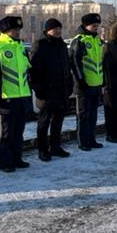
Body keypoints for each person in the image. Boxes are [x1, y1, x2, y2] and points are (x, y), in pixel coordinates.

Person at [0, 15, 32, 173]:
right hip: (6, 98)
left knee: (18, 131)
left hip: (21, 97)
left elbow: (27, 72)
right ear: (6, 31)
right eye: (14, 30)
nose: (18, 32)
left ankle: (17, 158)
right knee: (5, 133)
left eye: (19, 29)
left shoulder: (21, 48)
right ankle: (5, 162)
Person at [29, 17, 73, 161]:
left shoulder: (61, 45)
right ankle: (43, 150)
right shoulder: (40, 45)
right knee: (44, 123)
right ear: (48, 30)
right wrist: (39, 92)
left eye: (60, 28)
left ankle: (55, 147)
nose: (58, 31)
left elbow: (67, 65)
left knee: (58, 122)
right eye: (55, 29)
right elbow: (34, 72)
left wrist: (69, 84)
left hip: (61, 91)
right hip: (47, 92)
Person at [69, 12, 106, 151]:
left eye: (97, 25)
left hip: (96, 84)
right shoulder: (79, 40)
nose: (96, 28)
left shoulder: (96, 40)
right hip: (84, 85)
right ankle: (82, 141)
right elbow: (74, 62)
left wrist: (101, 80)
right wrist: (80, 80)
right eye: (93, 25)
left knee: (93, 115)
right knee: (83, 116)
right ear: (85, 25)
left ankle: (91, 139)